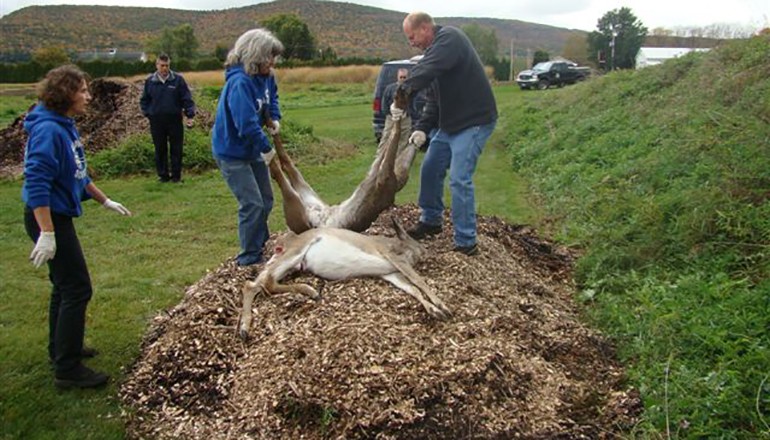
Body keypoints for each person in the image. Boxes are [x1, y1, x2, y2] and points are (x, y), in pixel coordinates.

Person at [22, 65, 132, 389]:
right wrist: (47, 233)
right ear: (65, 94)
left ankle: (61, 349)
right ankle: (67, 369)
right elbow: (37, 182)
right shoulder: (49, 131)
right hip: (48, 217)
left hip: (56, 216)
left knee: (64, 285)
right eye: (82, 90)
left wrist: (104, 200)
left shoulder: (64, 125)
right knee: (77, 288)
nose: (88, 96)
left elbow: (79, 173)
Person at [392, 11, 498, 256]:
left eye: (412, 37)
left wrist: (402, 94)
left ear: (426, 27)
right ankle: (431, 221)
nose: (411, 42)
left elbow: (428, 70)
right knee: (430, 168)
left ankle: (466, 241)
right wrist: (421, 129)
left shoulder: (450, 39)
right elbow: (433, 100)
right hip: (449, 125)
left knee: (459, 179)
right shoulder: (434, 55)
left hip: (474, 122)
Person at [212, 29, 283, 266]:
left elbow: (271, 99)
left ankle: (261, 246)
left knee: (266, 199)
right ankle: (248, 258)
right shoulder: (239, 83)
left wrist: (274, 118)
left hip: (251, 149)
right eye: (268, 57)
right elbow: (246, 124)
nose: (272, 62)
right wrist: (266, 149)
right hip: (231, 152)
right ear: (255, 55)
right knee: (252, 204)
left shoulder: (267, 76)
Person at [140, 53, 196, 183]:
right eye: (162, 65)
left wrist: (189, 115)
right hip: (157, 120)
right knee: (160, 148)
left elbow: (186, 98)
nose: (164, 68)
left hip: (174, 119)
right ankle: (163, 175)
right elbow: (144, 100)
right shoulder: (150, 81)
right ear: (157, 65)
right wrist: (148, 113)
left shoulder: (177, 80)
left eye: (167, 66)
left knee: (176, 148)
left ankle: (176, 176)